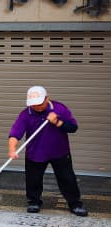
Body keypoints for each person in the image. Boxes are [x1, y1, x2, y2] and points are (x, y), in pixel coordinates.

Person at [8, 86, 88, 217]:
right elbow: (15, 134)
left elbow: (73, 128)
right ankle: (34, 202)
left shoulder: (59, 108)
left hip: (60, 152)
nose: (37, 107)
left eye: (39, 103)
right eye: (33, 104)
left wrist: (57, 122)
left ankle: (75, 204)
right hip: (35, 153)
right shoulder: (25, 114)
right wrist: (12, 149)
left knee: (67, 179)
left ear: (47, 98)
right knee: (33, 180)